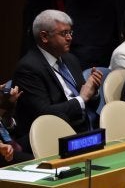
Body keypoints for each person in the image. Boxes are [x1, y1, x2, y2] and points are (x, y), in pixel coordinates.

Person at [12, 10, 103, 152]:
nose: (69, 38)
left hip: (85, 127)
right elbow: (44, 114)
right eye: (64, 33)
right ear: (44, 36)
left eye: (70, 33)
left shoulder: (70, 59)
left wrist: (93, 90)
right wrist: (82, 98)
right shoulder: (28, 68)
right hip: (55, 137)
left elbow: (87, 105)